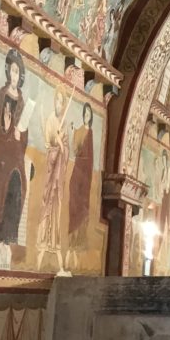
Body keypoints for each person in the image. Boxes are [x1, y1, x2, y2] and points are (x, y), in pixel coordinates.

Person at [0, 49, 30, 265]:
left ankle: (7, 236)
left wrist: (20, 135)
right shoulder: (3, 94)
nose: (14, 75)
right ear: (8, 72)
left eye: (17, 71)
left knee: (19, 186)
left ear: (20, 75)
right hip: (2, 149)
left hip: (17, 153)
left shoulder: (22, 101)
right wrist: (6, 126)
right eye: (12, 70)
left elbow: (25, 134)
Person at [37, 94, 69, 271]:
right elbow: (49, 144)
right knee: (46, 204)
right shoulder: (50, 120)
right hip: (50, 172)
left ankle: (55, 245)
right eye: (57, 100)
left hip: (59, 176)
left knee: (56, 209)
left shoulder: (64, 125)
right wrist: (54, 142)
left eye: (61, 101)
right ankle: (42, 243)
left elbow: (66, 151)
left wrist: (62, 145)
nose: (59, 104)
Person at [67, 104, 94, 268]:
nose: (86, 115)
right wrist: (72, 133)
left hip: (85, 176)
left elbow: (90, 160)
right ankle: (71, 239)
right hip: (77, 172)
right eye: (85, 113)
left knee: (82, 208)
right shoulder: (78, 131)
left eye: (89, 113)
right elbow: (74, 151)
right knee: (73, 203)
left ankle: (76, 243)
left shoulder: (90, 133)